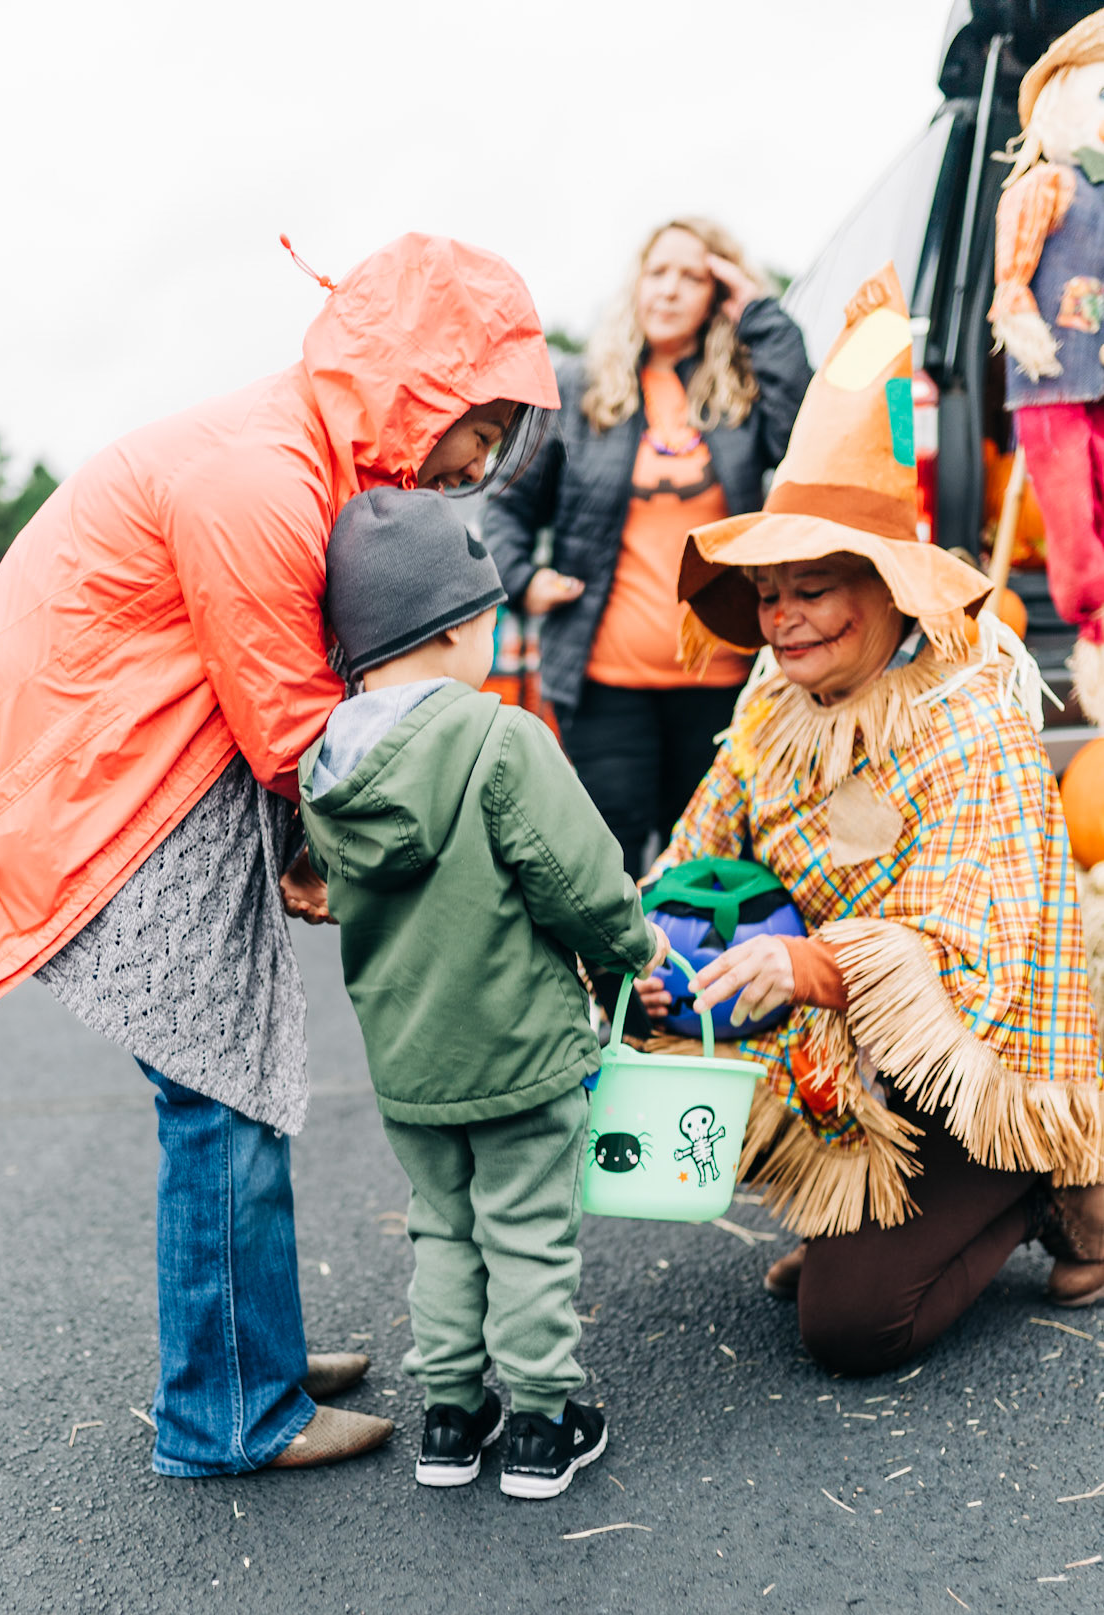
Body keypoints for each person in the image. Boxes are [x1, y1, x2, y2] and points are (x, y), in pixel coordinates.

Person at [0, 234, 559, 1478]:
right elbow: (294, 726)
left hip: (146, 773)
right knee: (221, 1092)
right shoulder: (263, 478)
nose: (480, 464)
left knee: (236, 1080)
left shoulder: (293, 449)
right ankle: (228, 1410)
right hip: (119, 784)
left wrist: (313, 852)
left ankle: (250, 1355)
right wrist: (410, 855)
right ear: (416, 383)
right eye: (479, 425)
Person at [634, 265, 1104, 1377]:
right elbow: (698, 848)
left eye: (811, 587)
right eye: (767, 593)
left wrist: (804, 964)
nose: (780, 619)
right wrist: (648, 949)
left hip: (985, 1050)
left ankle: (1046, 1176)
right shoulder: (770, 706)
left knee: (849, 1328)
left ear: (890, 589)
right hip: (848, 1039)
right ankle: (870, 1204)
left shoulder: (968, 718)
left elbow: (969, 960)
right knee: (678, 1015)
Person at [299, 489, 665, 1499]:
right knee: (527, 1233)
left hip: (410, 1063)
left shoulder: (328, 766)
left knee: (443, 1229)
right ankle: (543, 1421)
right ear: (456, 625)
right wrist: (629, 956)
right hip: (519, 1051)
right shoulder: (503, 741)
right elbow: (581, 883)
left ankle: (452, 1419)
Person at [483, 217, 810, 885]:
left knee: (710, 874)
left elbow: (804, 436)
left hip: (723, 685)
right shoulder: (579, 388)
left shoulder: (741, 393)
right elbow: (506, 502)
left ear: (718, 293)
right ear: (636, 283)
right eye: (657, 272)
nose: (668, 289)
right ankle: (622, 965)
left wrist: (758, 312)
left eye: (692, 276)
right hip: (605, 685)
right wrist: (524, 578)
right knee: (608, 867)